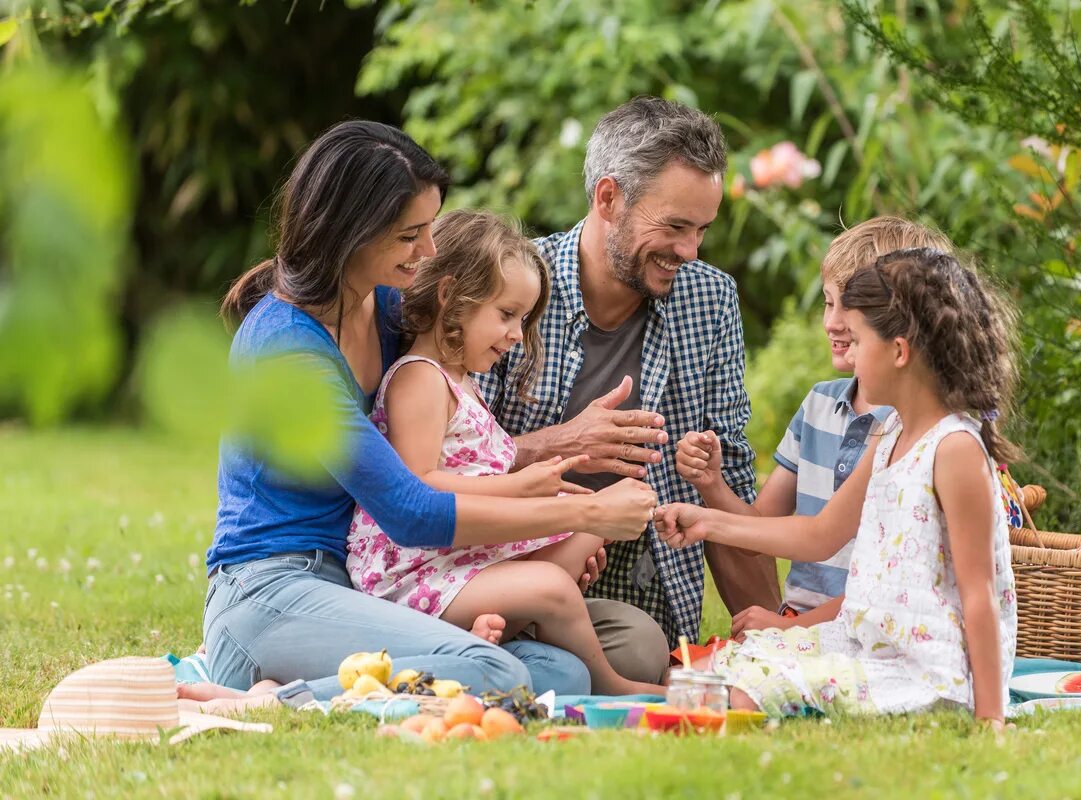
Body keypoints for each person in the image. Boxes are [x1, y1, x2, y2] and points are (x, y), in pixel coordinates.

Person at [186, 121, 657, 711]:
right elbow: (410, 510)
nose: (429, 250)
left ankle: (297, 686)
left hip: (353, 588)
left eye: (430, 229)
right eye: (412, 234)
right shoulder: (287, 349)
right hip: (271, 590)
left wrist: (555, 463)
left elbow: (450, 440)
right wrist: (589, 510)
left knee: (557, 670)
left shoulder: (382, 312)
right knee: (490, 671)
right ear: (352, 233)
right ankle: (267, 702)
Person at [655, 248, 1021, 732]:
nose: (849, 352)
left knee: (724, 698)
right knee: (696, 676)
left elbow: (980, 595)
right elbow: (819, 534)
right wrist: (707, 521)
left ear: (898, 351)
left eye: (860, 339)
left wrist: (991, 717)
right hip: (862, 643)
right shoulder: (892, 434)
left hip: (924, 675)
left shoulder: (953, 449)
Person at [475, 97, 778, 663]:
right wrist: (561, 445)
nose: (689, 251)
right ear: (608, 198)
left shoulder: (710, 300)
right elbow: (443, 469)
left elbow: (731, 479)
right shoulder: (507, 287)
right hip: (502, 577)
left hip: (641, 598)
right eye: (675, 226)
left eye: (702, 230)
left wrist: (773, 643)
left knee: (638, 651)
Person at [346, 210, 665, 695]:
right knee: (553, 584)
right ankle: (612, 684)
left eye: (523, 319)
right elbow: (417, 486)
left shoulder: (462, 383)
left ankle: (490, 636)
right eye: (506, 315)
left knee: (586, 530)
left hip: (458, 560)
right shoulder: (418, 379)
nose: (517, 335)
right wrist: (518, 487)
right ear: (450, 296)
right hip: (413, 574)